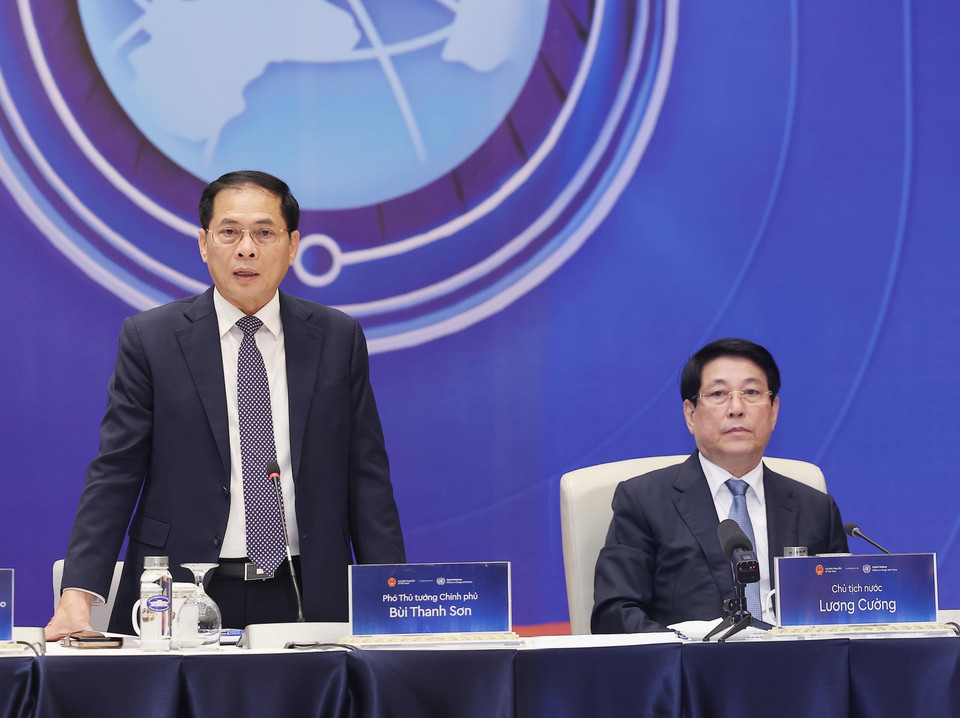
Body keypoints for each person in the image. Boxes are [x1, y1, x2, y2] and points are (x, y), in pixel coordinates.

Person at [46, 171, 405, 639]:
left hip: (306, 587)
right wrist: (78, 594)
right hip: (180, 589)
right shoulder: (151, 339)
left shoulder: (337, 337)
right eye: (229, 232)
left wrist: (392, 597)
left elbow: (366, 477)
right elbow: (115, 472)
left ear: (292, 245)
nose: (246, 249)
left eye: (264, 232)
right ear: (204, 243)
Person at [591, 338, 848, 633]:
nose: (736, 408)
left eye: (751, 392)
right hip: (692, 661)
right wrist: (687, 648)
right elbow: (614, 614)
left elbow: (845, 613)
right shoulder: (643, 501)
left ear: (773, 410)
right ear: (690, 414)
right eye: (718, 393)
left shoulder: (817, 509)